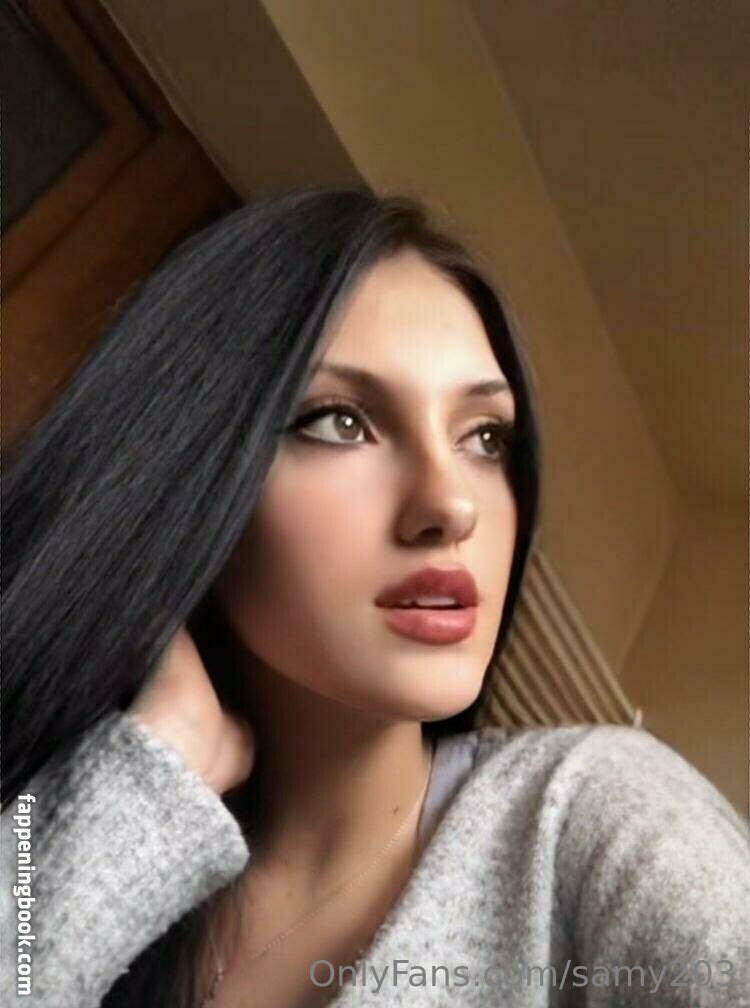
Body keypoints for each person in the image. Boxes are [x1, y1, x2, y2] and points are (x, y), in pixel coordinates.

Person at [1, 186, 748, 1008]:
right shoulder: (101, 820)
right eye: (339, 422)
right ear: (195, 471)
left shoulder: (589, 816)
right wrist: (135, 794)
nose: (452, 504)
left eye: (485, 438)